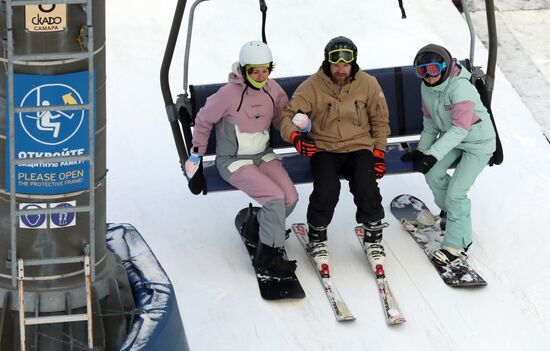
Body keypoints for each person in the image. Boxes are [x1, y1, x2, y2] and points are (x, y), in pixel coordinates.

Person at [184, 41, 299, 276]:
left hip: (263, 155)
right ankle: (267, 258)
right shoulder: (227, 94)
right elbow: (204, 120)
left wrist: (296, 124)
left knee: (290, 198)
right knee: (275, 198)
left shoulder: (273, 89)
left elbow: (280, 118)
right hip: (233, 160)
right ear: (243, 70)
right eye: (254, 71)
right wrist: (197, 154)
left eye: (265, 70)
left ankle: (256, 227)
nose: (260, 76)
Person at [280, 36, 391, 272]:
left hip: (360, 146)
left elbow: (380, 121)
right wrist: (295, 138)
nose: (341, 69)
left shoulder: (368, 84)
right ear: (327, 62)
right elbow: (287, 117)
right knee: (328, 188)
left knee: (366, 185)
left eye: (346, 63)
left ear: (353, 63)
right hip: (325, 148)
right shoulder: (312, 86)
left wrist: (379, 153)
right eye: (335, 63)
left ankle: (373, 234)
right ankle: (317, 235)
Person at [401, 43, 496, 266]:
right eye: (422, 72)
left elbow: (460, 129)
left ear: (444, 68)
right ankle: (451, 214)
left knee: (456, 193)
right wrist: (422, 151)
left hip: (478, 143)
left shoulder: (461, 88)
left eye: (433, 70)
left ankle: (458, 244)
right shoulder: (427, 88)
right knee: (433, 174)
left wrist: (433, 154)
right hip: (452, 138)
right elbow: (430, 123)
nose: (428, 77)